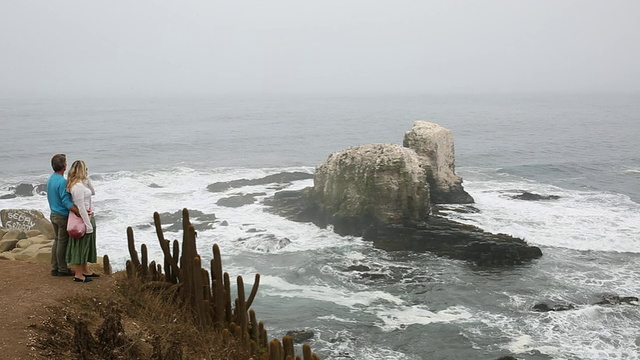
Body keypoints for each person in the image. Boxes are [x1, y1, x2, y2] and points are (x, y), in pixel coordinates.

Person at [65, 160, 99, 283]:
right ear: (81, 170)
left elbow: (93, 192)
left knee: (86, 245)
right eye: (85, 169)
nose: (87, 171)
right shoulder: (77, 187)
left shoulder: (81, 184)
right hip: (82, 219)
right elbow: (81, 208)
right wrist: (88, 225)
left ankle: (85, 270)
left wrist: (87, 179)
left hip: (88, 216)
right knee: (81, 246)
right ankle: (79, 274)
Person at [47, 154, 80, 277]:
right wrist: (78, 211)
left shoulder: (51, 179)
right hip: (62, 216)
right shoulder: (62, 182)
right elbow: (66, 201)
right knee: (62, 242)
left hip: (53, 213)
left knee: (57, 240)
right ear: (64, 166)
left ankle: (55, 267)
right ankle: (62, 268)